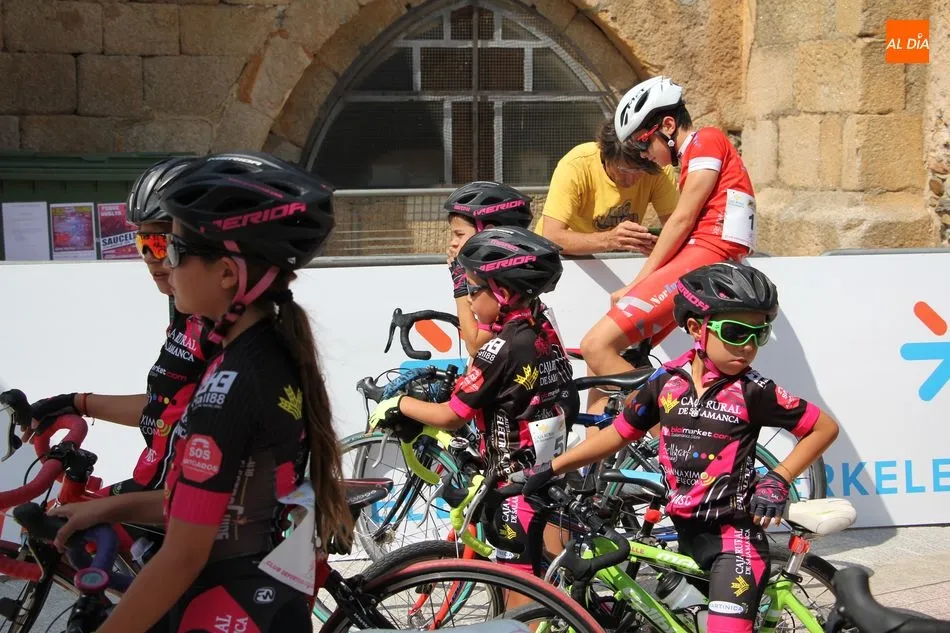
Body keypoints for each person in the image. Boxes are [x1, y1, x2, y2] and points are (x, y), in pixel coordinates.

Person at [50, 152, 352, 633]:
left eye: (175, 250)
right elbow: (212, 502)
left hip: (224, 604)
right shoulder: (266, 352)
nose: (163, 264)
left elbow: (183, 557)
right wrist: (107, 507)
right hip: (262, 598)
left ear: (227, 272)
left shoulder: (229, 385)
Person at [521, 262, 840, 633]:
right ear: (695, 328)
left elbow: (824, 428)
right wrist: (553, 467)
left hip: (733, 543)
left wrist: (779, 478)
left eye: (760, 334)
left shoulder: (754, 391)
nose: (749, 346)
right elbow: (619, 433)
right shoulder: (667, 381)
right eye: (736, 332)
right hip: (686, 535)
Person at [370, 226, 575, 587]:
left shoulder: (502, 347)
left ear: (503, 293)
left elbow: (451, 415)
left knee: (522, 591)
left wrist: (398, 402)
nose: (468, 300)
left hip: (513, 483)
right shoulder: (542, 326)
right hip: (550, 468)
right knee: (560, 574)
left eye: (472, 290)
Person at [28, 156, 214, 500]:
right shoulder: (186, 315)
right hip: (154, 485)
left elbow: (210, 486)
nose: (151, 258)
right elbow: (163, 409)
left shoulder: (224, 329)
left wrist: (105, 508)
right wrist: (77, 403)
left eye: (162, 244)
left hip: (174, 503)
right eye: (143, 244)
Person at [580, 76, 757, 421]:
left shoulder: (706, 140)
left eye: (643, 143)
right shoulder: (695, 154)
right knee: (608, 359)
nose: (644, 155)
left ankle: (676, 443)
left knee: (595, 345)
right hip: (708, 258)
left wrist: (637, 284)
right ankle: (596, 454)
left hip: (707, 257)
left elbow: (682, 219)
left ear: (668, 126)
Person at [534, 118, 679, 256]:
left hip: (613, 258)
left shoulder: (658, 168)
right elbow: (552, 237)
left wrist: (657, 244)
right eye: (624, 170)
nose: (632, 179)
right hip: (563, 258)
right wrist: (610, 239)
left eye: (641, 171)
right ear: (606, 155)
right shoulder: (576, 165)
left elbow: (676, 228)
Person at [445, 181, 534, 357]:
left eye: (459, 234)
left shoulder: (499, 280)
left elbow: (475, 346)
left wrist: (460, 284)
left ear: (488, 231)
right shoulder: (504, 269)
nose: (452, 242)